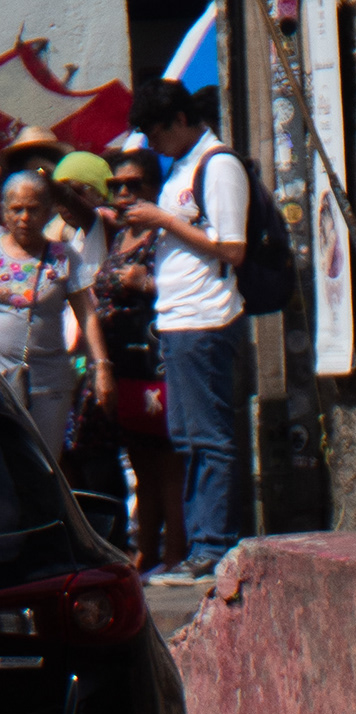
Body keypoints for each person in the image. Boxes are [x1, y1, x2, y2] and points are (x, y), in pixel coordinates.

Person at [120, 77, 248, 580]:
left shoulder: (218, 165)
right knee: (187, 438)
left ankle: (212, 546)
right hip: (177, 320)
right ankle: (200, 545)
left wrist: (163, 220)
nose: (154, 145)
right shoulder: (182, 167)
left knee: (209, 438)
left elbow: (231, 247)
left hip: (206, 318)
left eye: (156, 133)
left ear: (179, 119)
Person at [87, 152, 184, 572]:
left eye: (134, 184)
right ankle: (147, 549)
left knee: (169, 463)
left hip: (156, 362)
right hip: (123, 363)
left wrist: (147, 283)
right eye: (116, 186)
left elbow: (188, 285)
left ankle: (175, 549)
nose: (124, 193)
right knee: (141, 461)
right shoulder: (119, 235)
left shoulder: (163, 234)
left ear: (154, 188)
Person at [0, 167, 113, 463]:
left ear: (48, 211)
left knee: (43, 466)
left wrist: (101, 366)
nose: (24, 217)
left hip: (48, 382)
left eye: (33, 209)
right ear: (4, 211)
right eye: (17, 209)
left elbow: (87, 314)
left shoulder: (63, 256)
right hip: (1, 379)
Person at [50, 151, 114, 284]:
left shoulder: (106, 220)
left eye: (75, 192)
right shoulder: (74, 240)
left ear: (99, 194)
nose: (66, 204)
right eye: (57, 198)